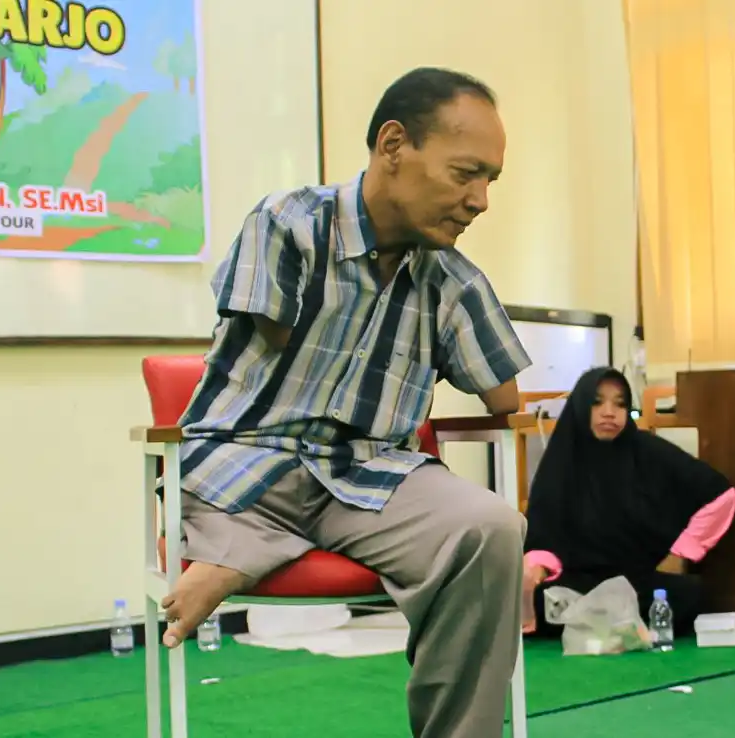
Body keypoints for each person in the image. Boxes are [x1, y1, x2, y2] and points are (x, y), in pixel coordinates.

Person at [165, 68, 532, 738]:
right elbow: (279, 343)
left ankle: (239, 555)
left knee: (491, 528)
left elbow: (505, 399)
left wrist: (463, 297)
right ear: (394, 145)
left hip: (365, 475)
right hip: (249, 459)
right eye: (464, 174)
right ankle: (240, 544)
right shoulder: (288, 224)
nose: (480, 201)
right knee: (229, 483)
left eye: (490, 182)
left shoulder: (451, 278)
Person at [520, 367, 735, 637]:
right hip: (579, 581)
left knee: (688, 594)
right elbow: (544, 536)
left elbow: (721, 493)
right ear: (580, 407)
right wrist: (537, 567)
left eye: (620, 404)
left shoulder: (647, 451)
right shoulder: (562, 460)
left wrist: (681, 552)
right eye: (597, 402)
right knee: (536, 597)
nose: (609, 412)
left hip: (636, 581)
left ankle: (596, 623)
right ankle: (615, 622)